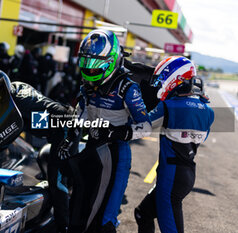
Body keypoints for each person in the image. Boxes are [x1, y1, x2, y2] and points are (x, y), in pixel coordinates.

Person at [57, 29, 151, 233]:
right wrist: (69, 138)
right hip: (92, 149)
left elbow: (146, 127)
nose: (89, 72)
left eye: (94, 66)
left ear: (111, 60)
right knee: (79, 209)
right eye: (86, 65)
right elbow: (80, 116)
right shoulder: (87, 86)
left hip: (117, 155)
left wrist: (119, 133)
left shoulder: (127, 88)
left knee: (105, 219)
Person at [0, 69, 75, 233]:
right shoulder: (13, 90)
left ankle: (64, 226)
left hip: (65, 127)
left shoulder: (17, 102)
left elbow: (2, 137)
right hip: (53, 128)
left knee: (56, 180)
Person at [134, 56, 214, 233]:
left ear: (175, 79)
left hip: (170, 176)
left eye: (163, 79)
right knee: (143, 213)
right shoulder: (207, 109)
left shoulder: (169, 106)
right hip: (187, 174)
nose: (159, 84)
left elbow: (140, 129)